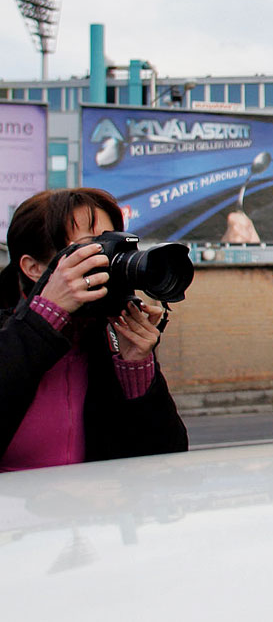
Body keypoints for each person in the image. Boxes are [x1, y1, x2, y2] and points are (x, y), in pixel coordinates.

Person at [0, 189, 188, 471]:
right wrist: (44, 319)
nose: (107, 258)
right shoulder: (10, 337)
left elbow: (166, 460)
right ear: (34, 267)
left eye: (111, 242)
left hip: (94, 515)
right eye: (91, 247)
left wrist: (136, 369)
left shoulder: (105, 341)